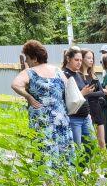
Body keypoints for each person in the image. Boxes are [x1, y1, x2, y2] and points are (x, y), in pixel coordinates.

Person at [11, 40, 74, 172]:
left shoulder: (30, 72)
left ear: (34, 58)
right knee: (64, 150)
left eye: (27, 58)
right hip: (60, 117)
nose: (27, 61)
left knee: (44, 152)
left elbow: (15, 85)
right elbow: (69, 88)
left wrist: (29, 96)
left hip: (42, 120)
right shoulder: (58, 71)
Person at [60, 46, 93, 147]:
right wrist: (82, 93)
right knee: (76, 149)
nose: (79, 62)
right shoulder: (63, 74)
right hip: (74, 118)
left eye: (80, 60)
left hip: (86, 116)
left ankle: (87, 164)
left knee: (92, 146)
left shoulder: (78, 74)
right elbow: (64, 97)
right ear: (68, 59)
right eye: (76, 60)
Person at [81, 49, 107, 149]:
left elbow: (101, 92)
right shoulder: (79, 76)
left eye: (92, 58)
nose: (91, 60)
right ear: (82, 58)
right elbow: (80, 94)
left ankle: (105, 161)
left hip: (97, 108)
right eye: (88, 58)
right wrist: (87, 94)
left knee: (102, 139)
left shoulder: (93, 75)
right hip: (86, 109)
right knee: (90, 139)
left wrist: (88, 93)